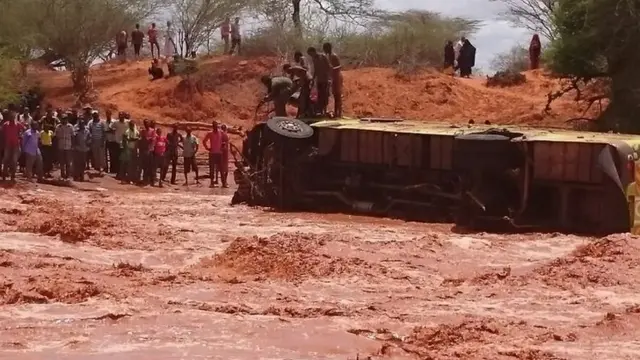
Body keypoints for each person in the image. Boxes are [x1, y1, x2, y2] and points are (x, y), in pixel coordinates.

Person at [307, 46, 331, 116]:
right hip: (319, 80)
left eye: (311, 54)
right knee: (320, 96)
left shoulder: (323, 56)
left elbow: (328, 67)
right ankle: (320, 111)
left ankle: (325, 110)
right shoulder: (314, 59)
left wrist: (329, 78)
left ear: (314, 51)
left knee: (325, 95)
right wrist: (313, 79)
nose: (311, 56)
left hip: (325, 79)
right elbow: (316, 70)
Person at [1, 111, 23, 182]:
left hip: (15, 145)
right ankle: (4, 175)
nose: (12, 118)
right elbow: (2, 133)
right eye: (11, 117)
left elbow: (24, 129)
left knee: (14, 161)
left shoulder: (18, 124)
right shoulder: (5, 125)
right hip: (8, 145)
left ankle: (13, 175)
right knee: (6, 160)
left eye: (13, 117)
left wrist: (20, 135)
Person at [323, 42, 343, 118]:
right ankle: (336, 113)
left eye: (325, 49)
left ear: (328, 48)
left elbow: (340, 66)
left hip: (337, 76)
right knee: (335, 95)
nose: (324, 50)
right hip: (333, 77)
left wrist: (333, 69)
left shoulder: (334, 56)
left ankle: (339, 113)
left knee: (338, 95)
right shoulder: (328, 56)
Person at [203, 121, 222, 188]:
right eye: (214, 126)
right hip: (212, 153)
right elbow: (204, 141)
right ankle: (212, 182)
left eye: (216, 125)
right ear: (213, 126)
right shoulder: (210, 133)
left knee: (219, 168)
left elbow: (224, 140)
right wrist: (207, 148)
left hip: (219, 153)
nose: (215, 127)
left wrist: (222, 146)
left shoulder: (220, 132)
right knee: (212, 168)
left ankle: (218, 181)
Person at [55, 114, 74, 179]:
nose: (64, 120)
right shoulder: (58, 127)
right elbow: (56, 137)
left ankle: (68, 175)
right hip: (61, 146)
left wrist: (73, 146)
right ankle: (62, 174)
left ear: (67, 119)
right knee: (62, 162)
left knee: (68, 162)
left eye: (65, 119)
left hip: (68, 146)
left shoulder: (70, 126)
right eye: (63, 119)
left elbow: (72, 136)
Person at [111, 111, 128, 177]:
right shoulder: (116, 122)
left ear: (124, 116)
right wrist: (114, 132)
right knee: (118, 158)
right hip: (117, 143)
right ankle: (118, 173)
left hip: (125, 143)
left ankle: (123, 173)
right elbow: (111, 127)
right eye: (119, 115)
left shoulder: (128, 122)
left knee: (124, 159)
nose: (121, 116)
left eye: (122, 115)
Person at [219, 124, 230, 188]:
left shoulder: (220, 134)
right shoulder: (225, 134)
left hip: (222, 152)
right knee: (225, 169)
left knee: (222, 168)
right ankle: (224, 182)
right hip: (224, 152)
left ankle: (224, 181)